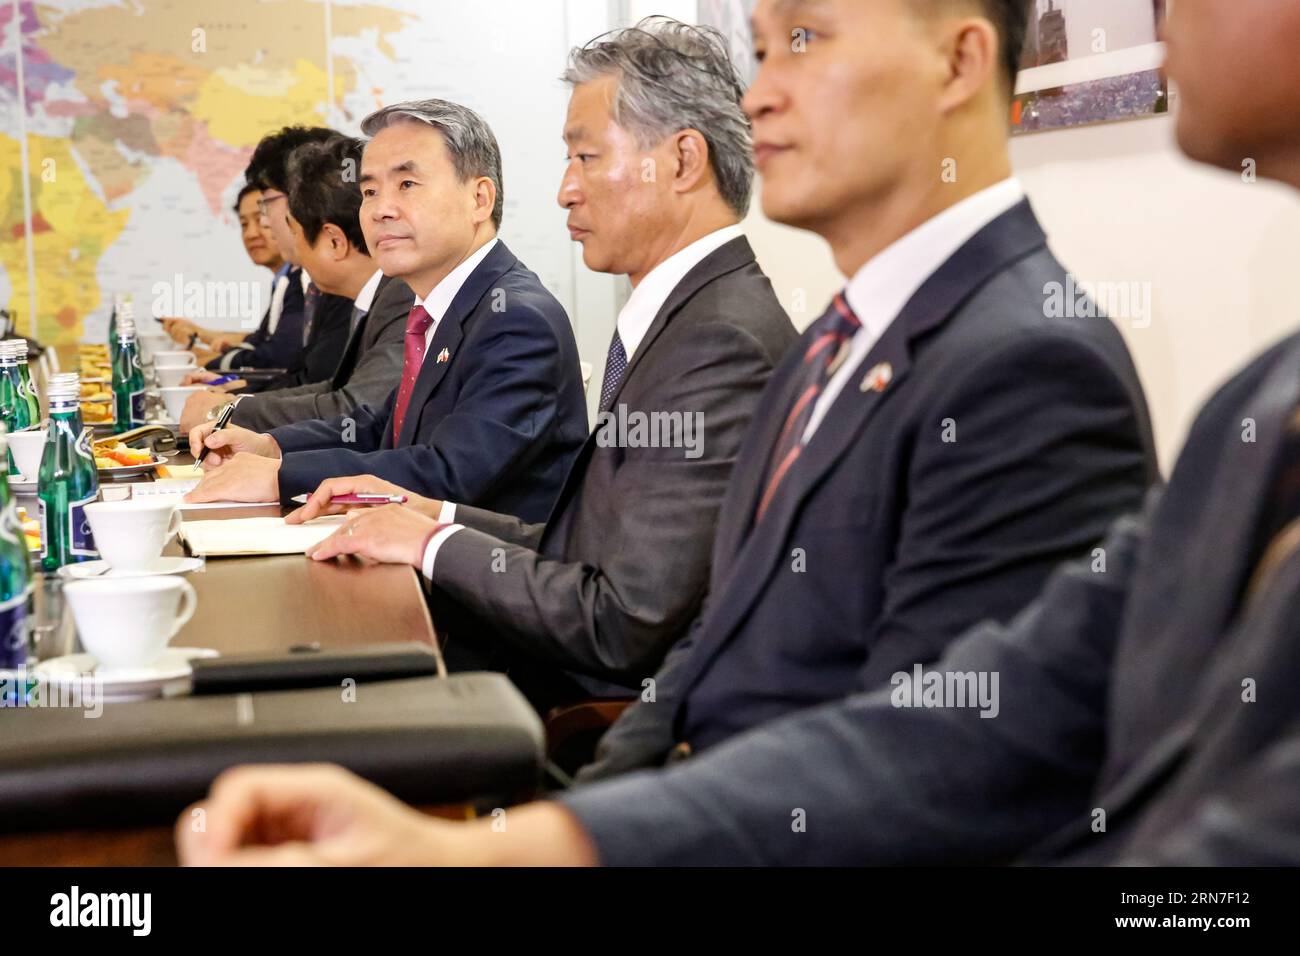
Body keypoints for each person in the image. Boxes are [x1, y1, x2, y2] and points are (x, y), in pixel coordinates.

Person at [176, 0, 1300, 868]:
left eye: (801, 40)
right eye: (759, 50)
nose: (758, 97)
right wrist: (555, 828)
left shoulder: (1028, 366)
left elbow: (949, 763)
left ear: (957, 62)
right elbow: (715, 643)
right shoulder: (838, 342)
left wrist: (542, 838)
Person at [284, 19, 796, 707]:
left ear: (681, 162)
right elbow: (591, 546)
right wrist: (429, 517)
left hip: (586, 697)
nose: (564, 191)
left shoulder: (719, 341)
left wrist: (432, 546)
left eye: (584, 158)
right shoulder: (692, 315)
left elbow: (622, 622)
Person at [185, 99, 588, 524]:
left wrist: (281, 476)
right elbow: (386, 428)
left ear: (479, 199)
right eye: (370, 191)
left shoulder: (514, 318)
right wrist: (272, 446)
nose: (380, 209)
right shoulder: (444, 305)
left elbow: (448, 473)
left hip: (473, 576)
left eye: (407, 185)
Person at [178, 136, 411, 434]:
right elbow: (333, 389)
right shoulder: (377, 296)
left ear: (335, 242)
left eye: (295, 232)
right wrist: (233, 403)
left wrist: (222, 411)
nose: (294, 253)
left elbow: (355, 407)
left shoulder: (402, 297)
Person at [193, 126, 338, 378]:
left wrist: (217, 374)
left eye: (266, 206)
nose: (264, 225)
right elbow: (306, 382)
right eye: (244, 223)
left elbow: (283, 358)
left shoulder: (335, 287)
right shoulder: (307, 280)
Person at [161, 185, 284, 363]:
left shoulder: (302, 282)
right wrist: (200, 336)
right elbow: (261, 340)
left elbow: (276, 357)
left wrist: (202, 359)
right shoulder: (281, 282)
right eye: (244, 224)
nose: (250, 234)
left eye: (261, 220)